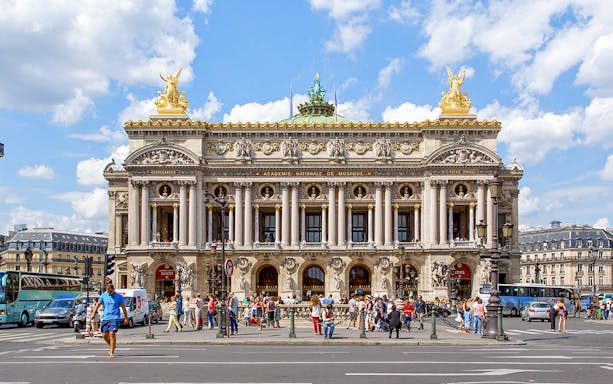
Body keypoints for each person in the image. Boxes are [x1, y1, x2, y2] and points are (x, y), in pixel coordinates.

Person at [91, 282, 128, 358]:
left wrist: (126, 318)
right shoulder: (104, 295)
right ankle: (112, 345)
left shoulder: (119, 297)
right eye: (107, 291)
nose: (109, 293)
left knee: (112, 333)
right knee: (104, 335)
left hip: (115, 317)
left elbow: (123, 307)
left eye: (110, 291)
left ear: (113, 289)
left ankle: (111, 351)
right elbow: (98, 304)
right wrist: (93, 313)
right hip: (105, 318)